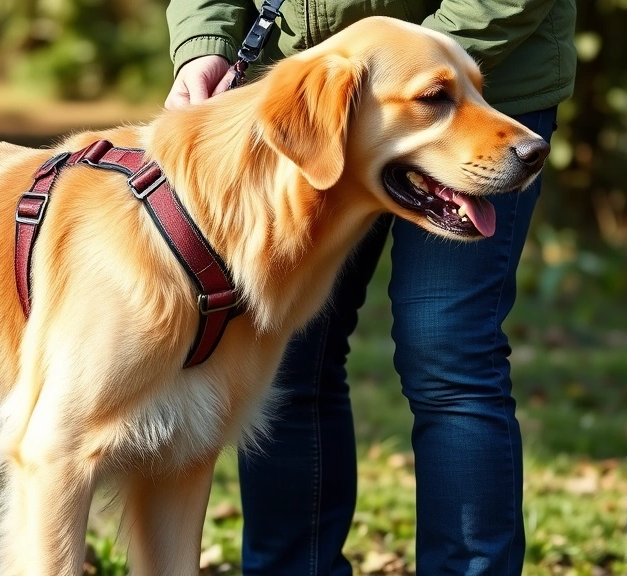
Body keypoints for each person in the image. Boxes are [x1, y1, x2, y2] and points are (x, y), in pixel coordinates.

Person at [164, 1, 577, 574]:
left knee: (448, 353)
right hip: (313, 95)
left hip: (484, 66)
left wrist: (419, 67)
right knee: (287, 357)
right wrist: (203, 42)